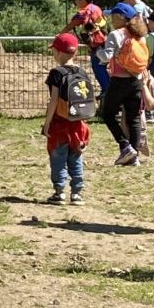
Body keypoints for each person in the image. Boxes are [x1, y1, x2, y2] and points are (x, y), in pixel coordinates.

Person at [42, 32, 94, 206]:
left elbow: (54, 100)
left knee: (58, 158)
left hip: (60, 124)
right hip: (78, 125)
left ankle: (59, 192)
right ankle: (76, 193)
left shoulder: (56, 73)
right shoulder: (82, 72)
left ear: (58, 52)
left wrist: (47, 123)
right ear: (75, 53)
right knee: (76, 158)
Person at [98, 5, 154, 165]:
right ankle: (134, 156)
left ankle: (125, 146)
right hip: (136, 80)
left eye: (114, 16)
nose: (111, 19)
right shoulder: (140, 35)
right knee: (134, 118)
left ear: (122, 17)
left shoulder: (115, 34)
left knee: (108, 114)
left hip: (119, 80)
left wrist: (97, 51)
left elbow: (106, 57)